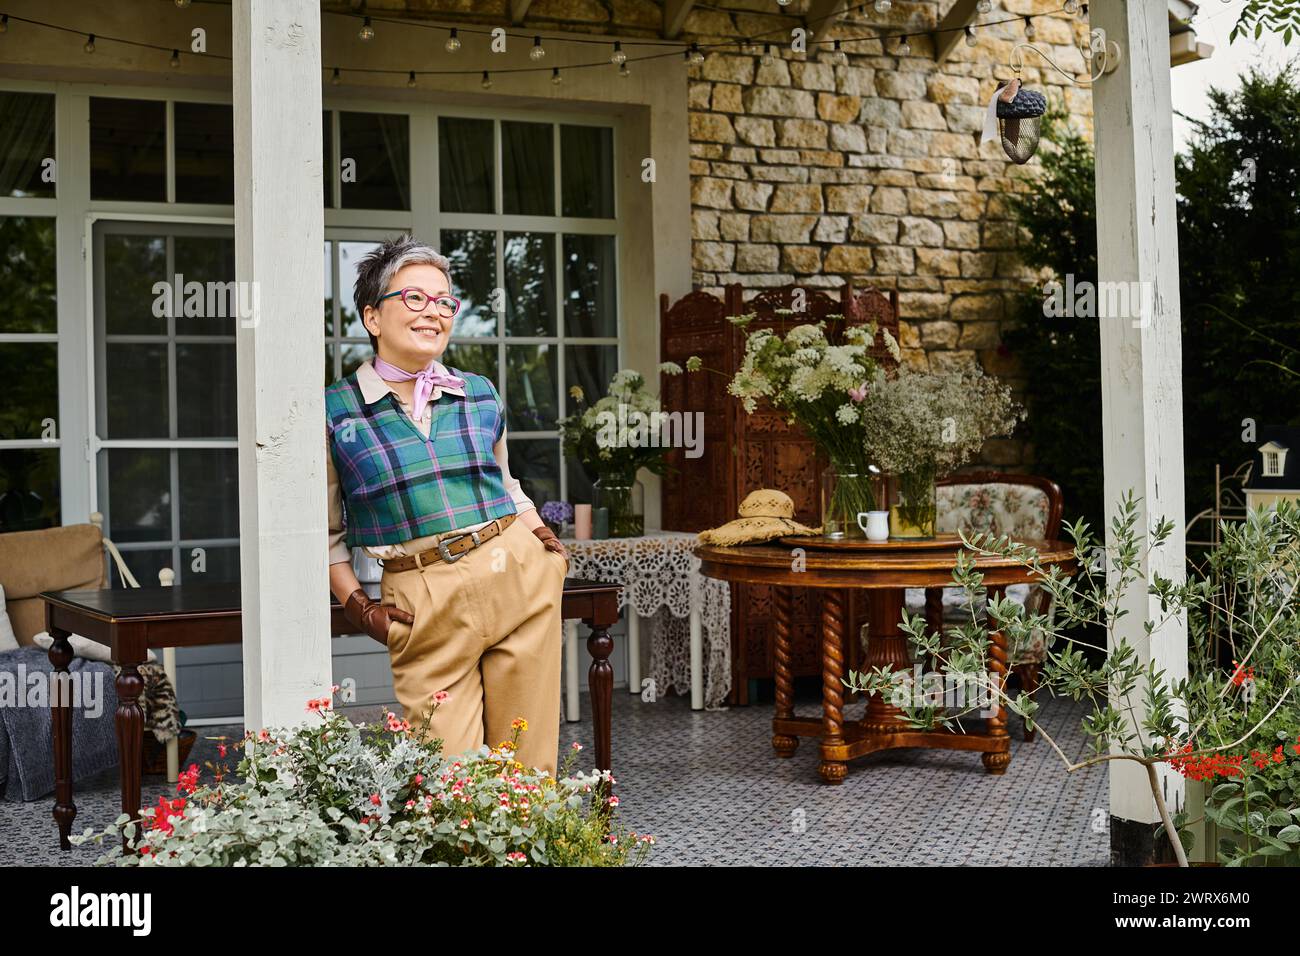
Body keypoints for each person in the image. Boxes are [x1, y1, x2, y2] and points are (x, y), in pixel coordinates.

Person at [325, 235, 568, 776]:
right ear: (372, 316)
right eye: (415, 298)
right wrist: (357, 605)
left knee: (528, 770)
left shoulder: (479, 391)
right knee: (449, 778)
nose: (433, 312)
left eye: (444, 302)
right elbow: (326, 534)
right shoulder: (336, 411)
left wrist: (547, 547)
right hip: (421, 596)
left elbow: (506, 483)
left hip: (515, 573)